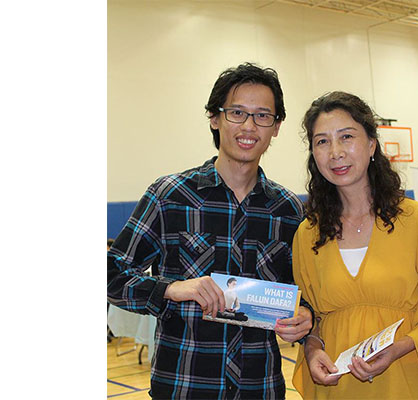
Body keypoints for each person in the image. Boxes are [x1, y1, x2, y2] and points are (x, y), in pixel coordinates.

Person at [107, 63, 313, 399]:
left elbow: (306, 292)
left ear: (276, 127)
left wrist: (306, 317)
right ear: (215, 118)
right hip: (184, 387)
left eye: (262, 116)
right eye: (237, 113)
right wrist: (171, 289)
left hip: (259, 388)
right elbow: (110, 273)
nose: (249, 126)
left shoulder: (288, 209)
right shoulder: (169, 196)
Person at [291, 91, 418, 399]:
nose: (335, 152)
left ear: (372, 145)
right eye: (322, 141)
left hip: (408, 382)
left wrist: (398, 347)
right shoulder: (308, 234)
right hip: (339, 388)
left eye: (346, 137)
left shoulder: (416, 221)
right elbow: (312, 318)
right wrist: (312, 349)